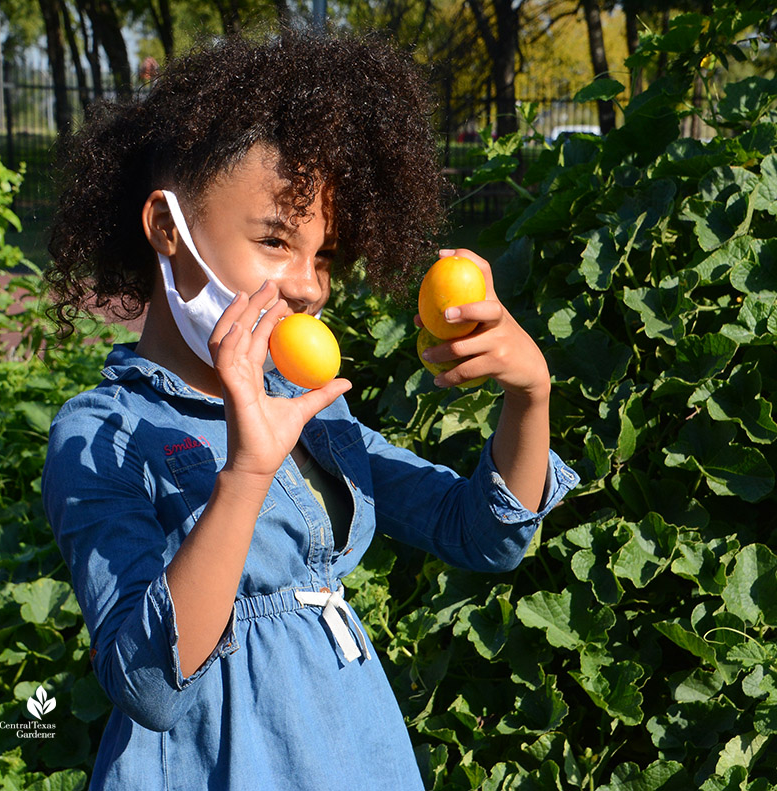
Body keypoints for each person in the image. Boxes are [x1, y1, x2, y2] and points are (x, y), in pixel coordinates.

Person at [42, 31, 579, 791]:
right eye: (274, 241)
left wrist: (531, 394)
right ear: (168, 228)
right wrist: (248, 469)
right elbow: (147, 684)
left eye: (322, 256)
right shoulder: (102, 433)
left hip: (354, 753)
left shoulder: (310, 411)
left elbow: (483, 534)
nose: (309, 288)